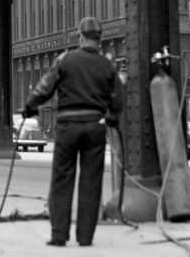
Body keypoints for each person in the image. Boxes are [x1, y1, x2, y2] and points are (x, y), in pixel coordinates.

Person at [22, 17, 123, 247]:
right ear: (100, 39)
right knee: (91, 180)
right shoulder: (107, 65)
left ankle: (59, 235)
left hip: (68, 126)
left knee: (62, 179)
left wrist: (30, 105)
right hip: (95, 125)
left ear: (80, 36)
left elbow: (45, 87)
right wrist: (112, 116)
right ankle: (85, 237)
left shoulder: (65, 59)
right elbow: (118, 97)